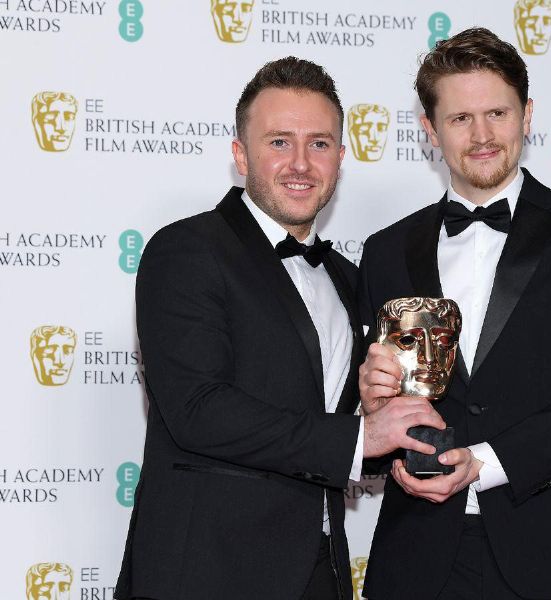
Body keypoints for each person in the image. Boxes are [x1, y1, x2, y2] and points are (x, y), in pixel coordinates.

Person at [114, 56, 444, 600]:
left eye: (319, 144)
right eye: (278, 142)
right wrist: (361, 437)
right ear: (240, 154)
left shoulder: (349, 279)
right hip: (206, 574)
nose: (300, 164)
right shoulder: (186, 251)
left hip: (322, 570)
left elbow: (341, 423)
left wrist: (407, 443)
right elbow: (198, 410)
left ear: (340, 157)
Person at [358, 28, 551, 600]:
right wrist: (370, 407)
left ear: (528, 114)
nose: (483, 135)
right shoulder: (385, 250)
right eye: (461, 118)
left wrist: (486, 462)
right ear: (429, 129)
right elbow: (365, 421)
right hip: (418, 561)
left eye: (498, 112)